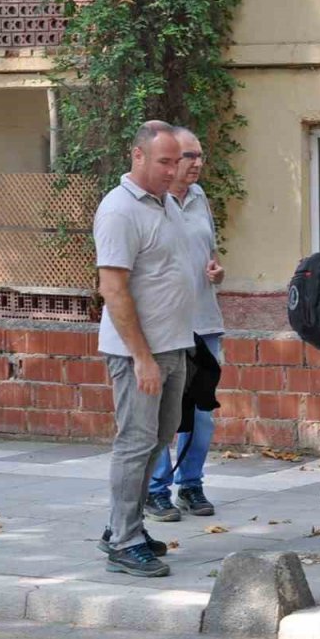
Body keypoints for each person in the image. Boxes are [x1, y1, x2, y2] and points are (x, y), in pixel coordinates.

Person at [93, 120, 193, 578]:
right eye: (164, 162)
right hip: (140, 353)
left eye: (178, 161)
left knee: (160, 438)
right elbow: (113, 290)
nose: (174, 171)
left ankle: (123, 525)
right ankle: (124, 540)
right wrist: (141, 356)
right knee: (135, 443)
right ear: (137, 156)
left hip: (174, 345)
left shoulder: (167, 203)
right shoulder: (119, 210)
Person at [143, 128, 225, 522]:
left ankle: (191, 484)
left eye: (200, 156)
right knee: (162, 412)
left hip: (204, 322)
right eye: (189, 156)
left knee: (202, 412)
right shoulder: (149, 203)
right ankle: (156, 489)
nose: (197, 164)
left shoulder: (199, 198)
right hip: (165, 327)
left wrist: (216, 269)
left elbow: (210, 253)